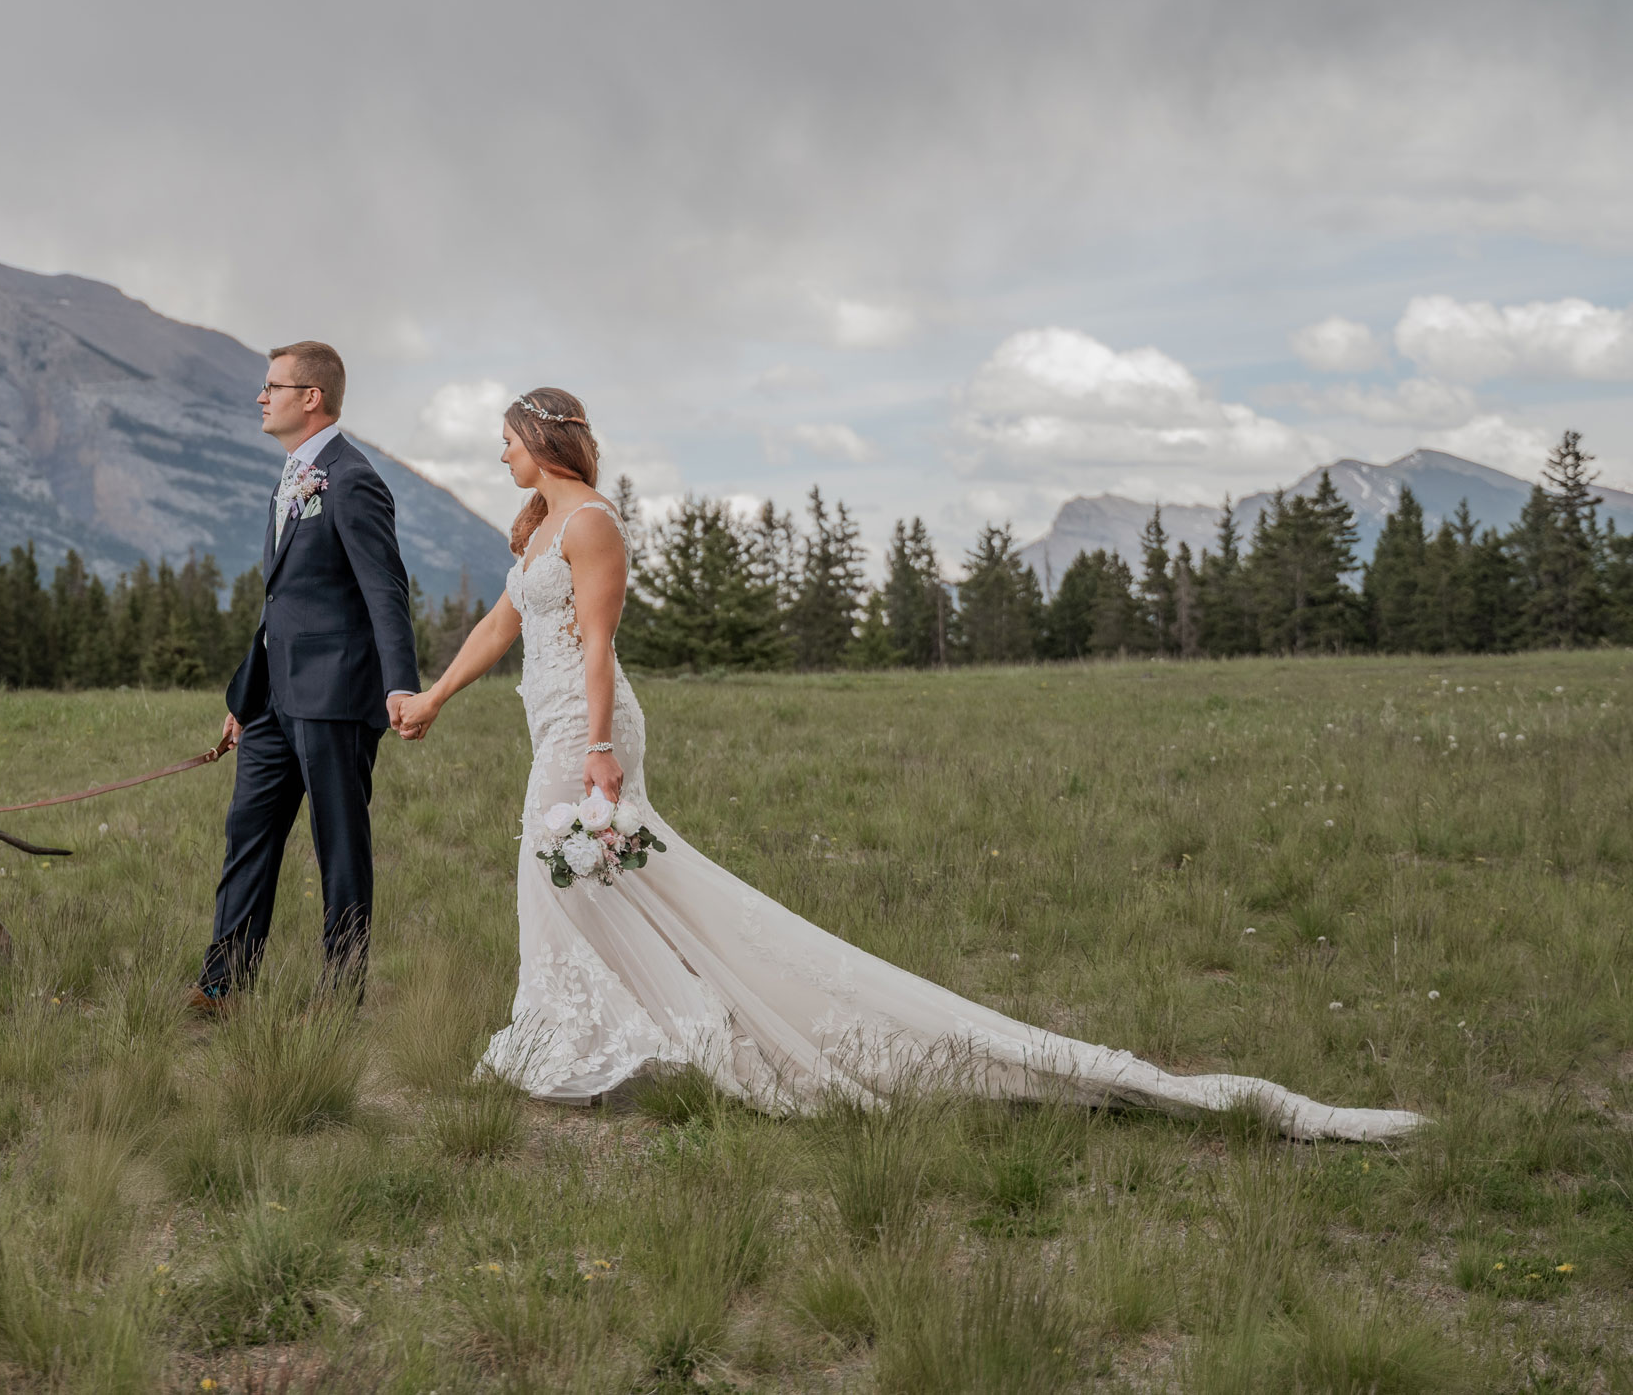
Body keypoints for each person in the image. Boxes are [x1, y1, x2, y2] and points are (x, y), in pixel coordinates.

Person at [387, 388, 1423, 1140]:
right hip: (551, 723)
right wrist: (432, 695)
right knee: (575, 882)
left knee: (578, 869)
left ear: (541, 440)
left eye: (508, 444)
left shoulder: (592, 523)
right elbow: (497, 625)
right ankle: (603, 1035)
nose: (501, 458)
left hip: (587, 729)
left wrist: (603, 751)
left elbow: (599, 646)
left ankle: (645, 1035)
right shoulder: (536, 533)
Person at [191, 342, 420, 1011]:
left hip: (338, 700)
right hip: (273, 703)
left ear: (310, 396)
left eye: (273, 386)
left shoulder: (351, 480)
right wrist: (246, 695)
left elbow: (387, 592)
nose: (262, 397)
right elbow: (280, 604)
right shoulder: (292, 474)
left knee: (339, 849)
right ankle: (221, 984)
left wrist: (400, 686)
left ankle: (341, 991)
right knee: (247, 834)